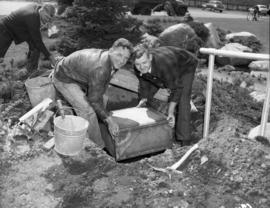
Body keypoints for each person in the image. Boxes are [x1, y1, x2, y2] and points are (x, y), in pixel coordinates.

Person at [52, 38, 133, 148]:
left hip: (78, 75)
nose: (122, 60)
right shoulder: (100, 68)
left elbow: (102, 86)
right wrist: (109, 120)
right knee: (87, 110)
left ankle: (98, 123)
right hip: (64, 78)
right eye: (119, 55)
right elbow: (94, 100)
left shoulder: (110, 60)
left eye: (126, 58)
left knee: (103, 99)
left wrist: (104, 116)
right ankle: (98, 146)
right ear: (110, 51)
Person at [134, 45, 198, 146]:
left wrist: (171, 112)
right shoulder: (139, 66)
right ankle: (155, 131)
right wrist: (144, 98)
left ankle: (185, 141)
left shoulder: (164, 65)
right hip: (169, 64)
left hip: (186, 65)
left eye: (144, 63)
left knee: (182, 100)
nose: (141, 67)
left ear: (150, 57)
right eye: (138, 64)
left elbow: (177, 89)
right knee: (149, 94)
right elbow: (144, 83)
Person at [0, 3, 56, 71]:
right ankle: (30, 69)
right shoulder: (32, 17)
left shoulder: (37, 8)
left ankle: (31, 70)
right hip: (4, 29)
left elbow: (36, 40)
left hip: (17, 28)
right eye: (47, 17)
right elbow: (38, 41)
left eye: (49, 19)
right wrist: (50, 57)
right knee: (0, 56)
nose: (47, 20)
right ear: (43, 10)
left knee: (35, 47)